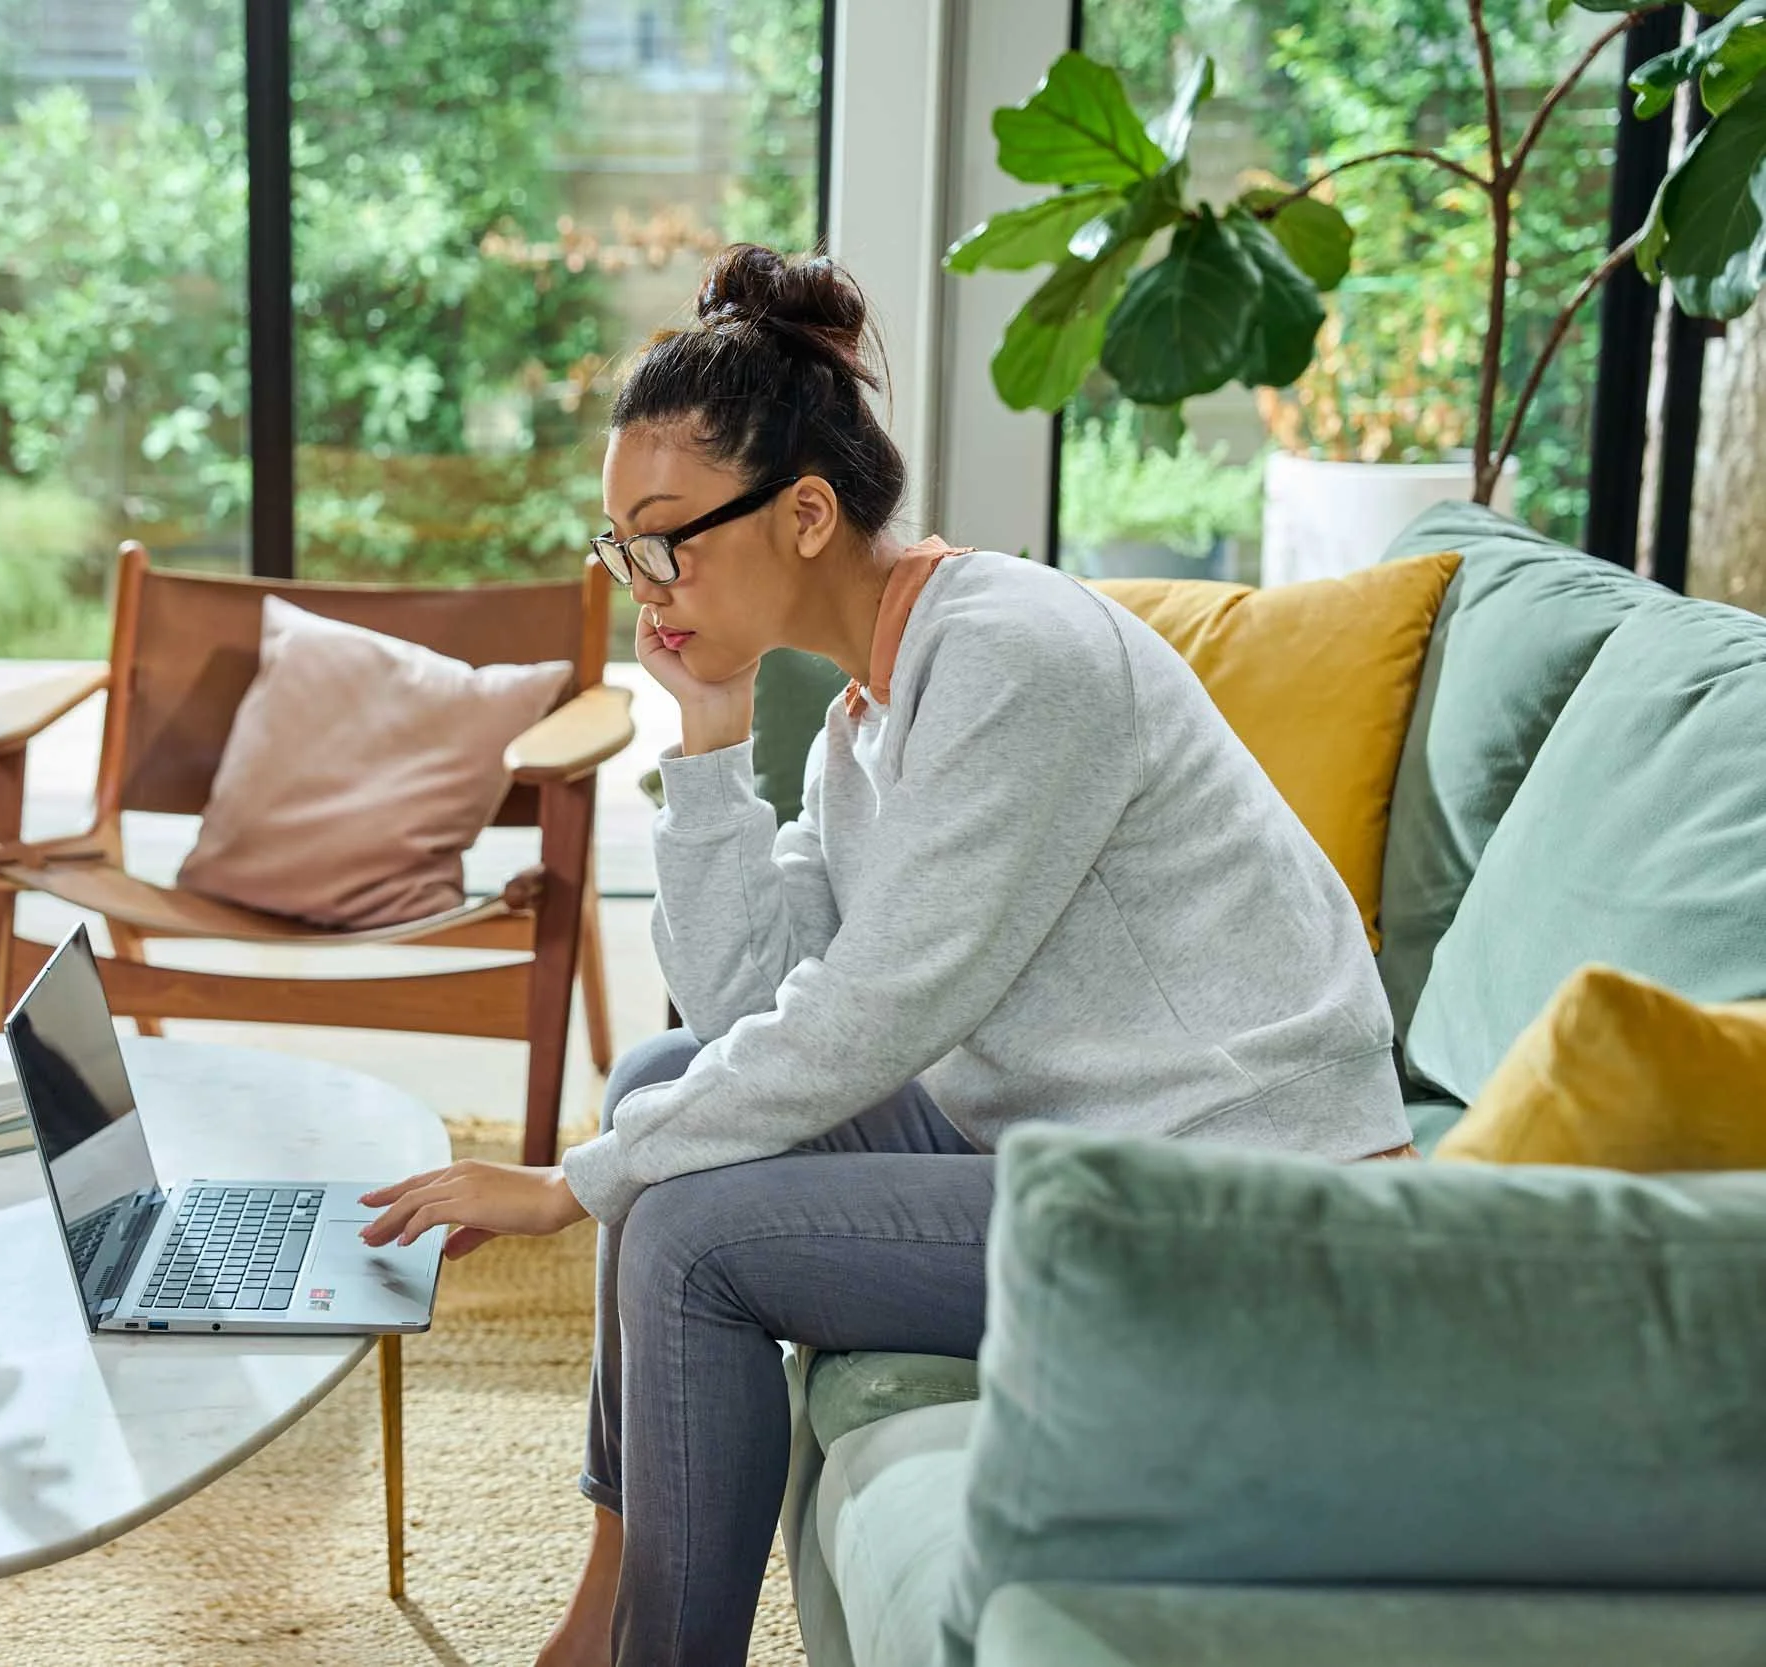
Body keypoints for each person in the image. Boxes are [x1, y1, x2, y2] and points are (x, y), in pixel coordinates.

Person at [357, 243, 1411, 1666]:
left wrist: (565, 1189)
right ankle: (608, 1606)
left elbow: (871, 1011)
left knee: (679, 1232)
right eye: (623, 546)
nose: (643, 584)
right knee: (667, 1074)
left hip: (1236, 1200)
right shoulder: (869, 711)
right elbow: (743, 1007)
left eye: (668, 538)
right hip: (1070, 1136)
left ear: (803, 514)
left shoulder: (1011, 658)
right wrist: (713, 735)